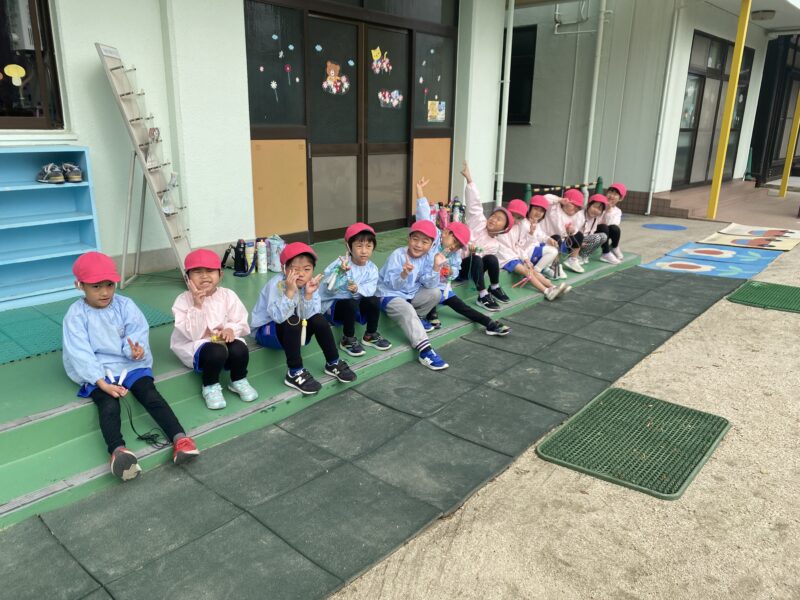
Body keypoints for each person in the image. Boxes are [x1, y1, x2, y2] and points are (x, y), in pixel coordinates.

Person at [62, 252, 199, 481]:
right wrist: (101, 382)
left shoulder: (125, 305)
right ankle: (118, 451)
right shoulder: (75, 315)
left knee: (150, 394)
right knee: (108, 404)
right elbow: (79, 352)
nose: (105, 292)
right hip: (98, 371)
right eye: (96, 286)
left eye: (109, 284)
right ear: (79, 285)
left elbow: (137, 332)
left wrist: (135, 351)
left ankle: (180, 438)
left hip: (129, 364)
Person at [251, 242, 356, 395]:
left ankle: (333, 362)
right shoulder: (276, 285)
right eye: (295, 269)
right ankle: (294, 372)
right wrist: (290, 292)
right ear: (284, 269)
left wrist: (308, 295)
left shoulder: (310, 283)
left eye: (307, 269)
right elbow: (278, 317)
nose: (301, 274)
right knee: (292, 320)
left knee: (318, 319)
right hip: (267, 332)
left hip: (294, 331)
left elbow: (308, 316)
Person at [415, 177, 511, 335]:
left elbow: (456, 269)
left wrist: (450, 272)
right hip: (423, 285)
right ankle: (431, 313)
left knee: (462, 306)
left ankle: (490, 323)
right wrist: (419, 191)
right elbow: (424, 216)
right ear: (445, 232)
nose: (455, 247)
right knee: (431, 290)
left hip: (441, 287)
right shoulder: (433, 238)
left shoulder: (455, 254)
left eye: (459, 245)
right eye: (455, 241)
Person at [170, 249, 258, 410]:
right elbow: (193, 335)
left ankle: (238, 380)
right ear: (187, 278)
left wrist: (230, 329)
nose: (204, 276)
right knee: (216, 352)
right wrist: (197, 306)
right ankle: (210, 386)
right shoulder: (183, 300)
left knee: (240, 348)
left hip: (222, 339)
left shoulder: (228, 295)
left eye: (210, 271)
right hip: (196, 344)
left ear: (220, 274)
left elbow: (239, 319)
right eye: (197, 272)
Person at [377, 220, 449, 370]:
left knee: (436, 293)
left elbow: (430, 285)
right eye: (415, 239)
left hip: (410, 294)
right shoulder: (398, 255)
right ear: (409, 239)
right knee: (407, 309)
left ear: (431, 245)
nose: (418, 245)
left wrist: (436, 267)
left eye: (425, 242)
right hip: (389, 294)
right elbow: (391, 285)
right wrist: (403, 274)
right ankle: (425, 351)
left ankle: (419, 318)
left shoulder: (428, 257)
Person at [319, 222, 392, 357]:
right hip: (335, 308)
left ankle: (370, 334)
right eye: (359, 246)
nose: (364, 251)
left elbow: (370, 290)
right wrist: (340, 273)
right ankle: (347, 339)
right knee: (351, 303)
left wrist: (357, 289)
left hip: (354, 306)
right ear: (349, 246)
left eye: (368, 246)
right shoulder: (340, 264)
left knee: (374, 300)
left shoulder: (372, 268)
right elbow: (327, 289)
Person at [458, 161, 514, 311]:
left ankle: (494, 287)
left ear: (504, 229)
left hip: (474, 269)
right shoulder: (478, 221)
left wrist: (475, 252)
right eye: (493, 216)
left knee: (491, 259)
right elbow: (474, 204)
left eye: (499, 220)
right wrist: (469, 179)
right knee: (476, 258)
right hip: (459, 266)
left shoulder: (494, 244)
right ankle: (482, 295)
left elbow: (482, 260)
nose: (493, 219)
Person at [496, 198, 567, 301]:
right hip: (506, 259)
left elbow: (518, 246)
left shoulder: (517, 226)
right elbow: (507, 248)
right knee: (528, 272)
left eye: (519, 217)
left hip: (515, 256)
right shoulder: (502, 227)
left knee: (532, 271)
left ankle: (553, 286)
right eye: (513, 215)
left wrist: (526, 259)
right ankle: (547, 291)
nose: (515, 219)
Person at [540, 188, 586, 274]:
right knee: (557, 238)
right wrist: (559, 199)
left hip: (563, 242)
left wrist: (573, 230)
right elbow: (545, 198)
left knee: (579, 235)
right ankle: (555, 264)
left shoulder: (577, 215)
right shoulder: (554, 208)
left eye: (578, 207)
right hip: (546, 240)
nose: (576, 209)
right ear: (565, 202)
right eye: (574, 205)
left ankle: (572, 259)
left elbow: (576, 229)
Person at [596, 182, 626, 263]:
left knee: (615, 228)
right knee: (603, 227)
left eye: (615, 194)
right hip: (595, 233)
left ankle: (614, 246)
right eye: (610, 192)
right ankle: (605, 253)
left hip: (606, 234)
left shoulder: (617, 211)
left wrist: (608, 211)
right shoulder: (598, 204)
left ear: (620, 198)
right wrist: (604, 210)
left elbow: (612, 225)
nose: (611, 196)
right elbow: (594, 221)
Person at [578, 194, 610, 265]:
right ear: (588, 205)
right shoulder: (580, 215)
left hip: (585, 240)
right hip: (574, 241)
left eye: (599, 209)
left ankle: (584, 255)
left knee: (603, 237)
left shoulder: (596, 218)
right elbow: (573, 233)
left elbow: (592, 232)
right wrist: (579, 243)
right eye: (594, 207)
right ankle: (578, 255)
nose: (596, 210)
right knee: (598, 237)